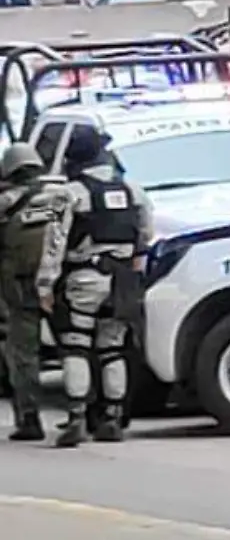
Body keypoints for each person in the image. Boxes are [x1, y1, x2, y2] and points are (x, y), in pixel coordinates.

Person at [38, 121, 151, 447]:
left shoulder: (70, 194)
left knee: (75, 344)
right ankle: (113, 418)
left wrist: (45, 285)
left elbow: (54, 243)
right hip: (123, 280)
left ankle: (76, 417)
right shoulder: (133, 191)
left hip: (84, 277)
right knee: (112, 347)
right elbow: (146, 233)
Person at [0, 143, 63, 442]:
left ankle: (29, 419)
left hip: (19, 287)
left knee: (24, 355)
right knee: (76, 348)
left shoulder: (5, 202)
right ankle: (89, 415)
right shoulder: (63, 195)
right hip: (60, 283)